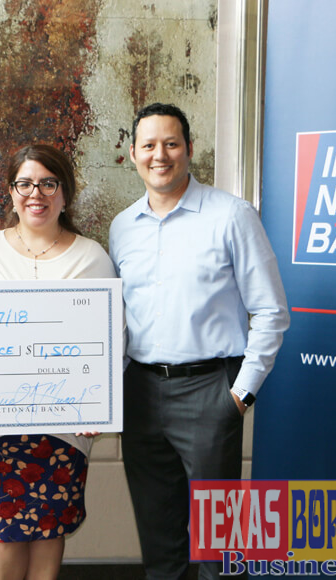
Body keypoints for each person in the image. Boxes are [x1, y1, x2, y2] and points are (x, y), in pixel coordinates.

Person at [109, 103, 289, 579]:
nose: (160, 155)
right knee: (159, 540)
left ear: (189, 148)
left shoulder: (231, 215)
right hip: (140, 393)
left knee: (219, 544)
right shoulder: (122, 227)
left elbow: (271, 310)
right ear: (133, 154)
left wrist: (240, 394)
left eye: (171, 143)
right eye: (149, 145)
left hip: (211, 391)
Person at [0, 144, 116, 580]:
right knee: (4, 528)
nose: (36, 194)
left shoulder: (93, 258)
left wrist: (98, 404)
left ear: (65, 193)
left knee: (50, 526)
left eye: (48, 183)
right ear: (11, 192)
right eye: (25, 183)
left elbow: (111, 340)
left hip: (64, 425)